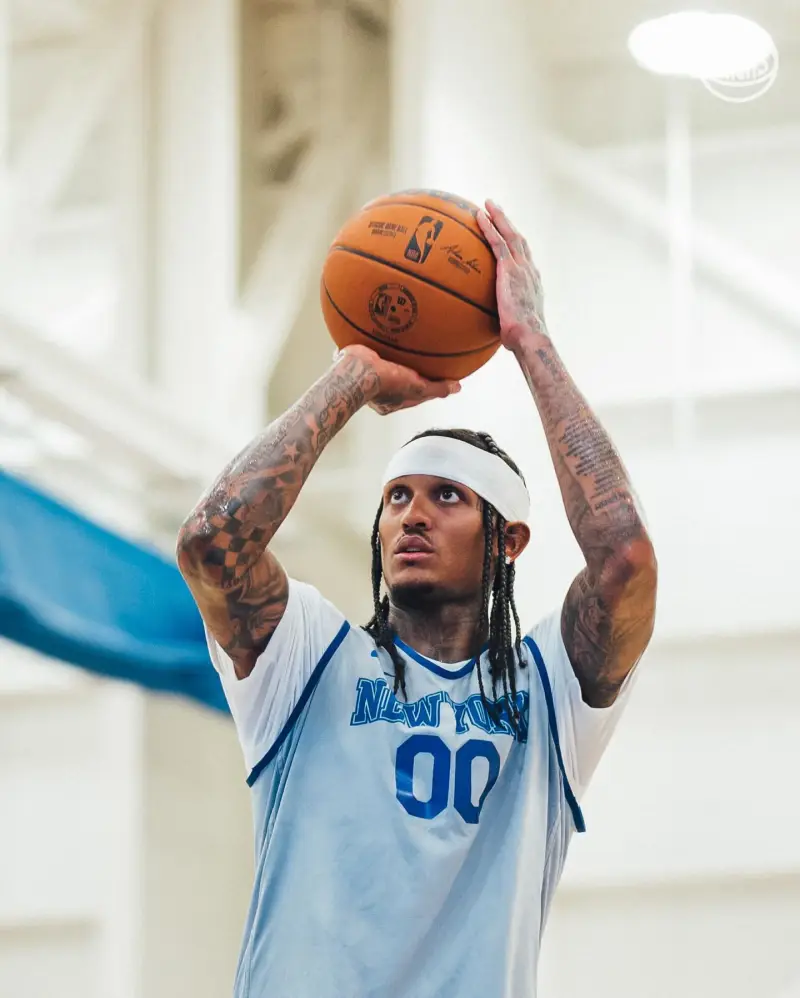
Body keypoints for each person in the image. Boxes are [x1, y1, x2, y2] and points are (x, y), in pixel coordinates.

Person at [176, 200, 657, 998]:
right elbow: (210, 544)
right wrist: (354, 374)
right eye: (397, 496)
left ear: (508, 540)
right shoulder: (309, 659)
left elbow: (625, 559)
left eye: (447, 496)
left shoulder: (549, 691)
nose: (412, 516)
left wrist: (530, 341)